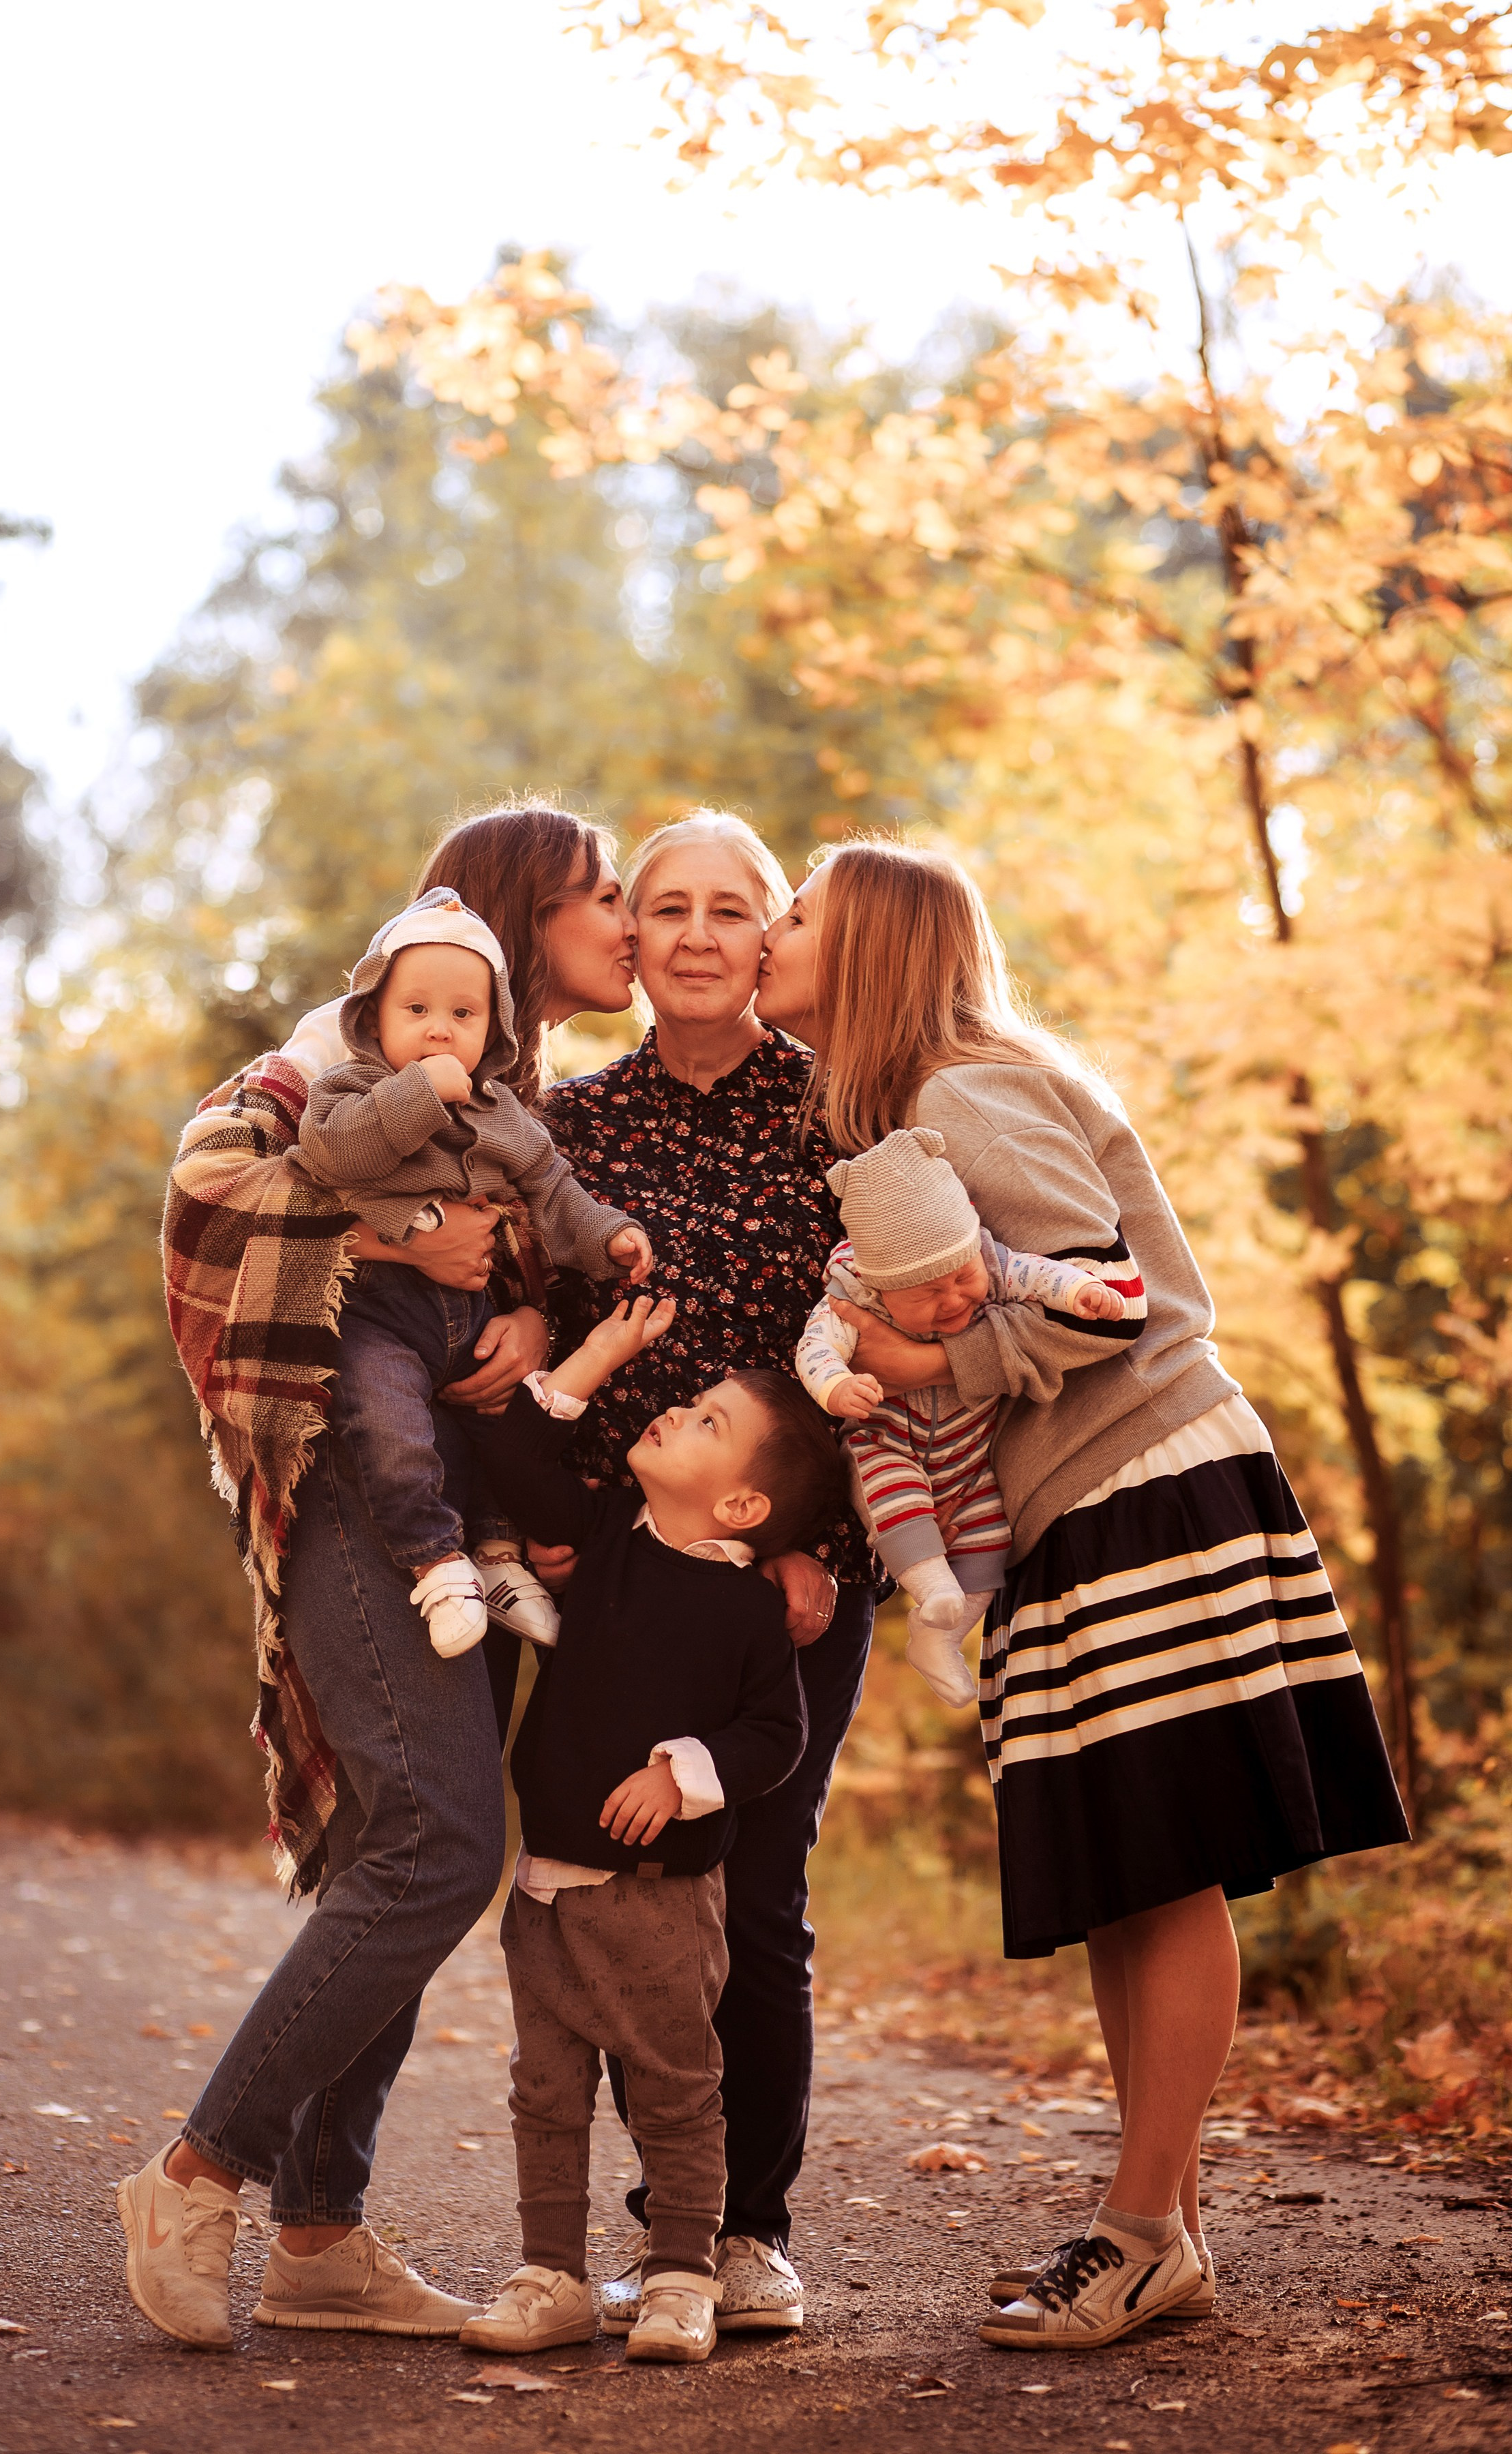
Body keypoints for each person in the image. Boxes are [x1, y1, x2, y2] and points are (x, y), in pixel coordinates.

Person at [759, 837, 1408, 2353]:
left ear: (873, 953)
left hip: (1149, 1483)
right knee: (1130, 1861)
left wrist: (927, 1369)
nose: (777, 932)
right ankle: (1158, 2228)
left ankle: (1138, 2228)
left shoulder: (965, 1089)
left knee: (1163, 1859)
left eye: (800, 913)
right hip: (1084, 1503)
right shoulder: (925, 1102)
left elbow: (1102, 1295)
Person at [131, 806, 638, 2352]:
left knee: (398, 1853)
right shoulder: (349, 1041)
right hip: (358, 1484)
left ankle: (321, 2232)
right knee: (432, 1842)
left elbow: (525, 1258)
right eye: (597, 896)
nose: (622, 919)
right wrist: (405, 1235)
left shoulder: (511, 1081)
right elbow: (213, 1182)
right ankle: (195, 2168)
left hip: (447, 1508)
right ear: (514, 917)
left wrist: (531, 1318)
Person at [539, 809, 883, 2333]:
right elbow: (528, 1334)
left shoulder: (844, 1114)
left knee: (759, 1887)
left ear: (771, 937)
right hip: (618, 1584)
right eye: (663, 905)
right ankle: (665, 2224)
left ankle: (747, 2232)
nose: (691, 934)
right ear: (633, 938)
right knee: (631, 1887)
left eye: (729, 910)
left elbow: (886, 1346)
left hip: (800, 1575)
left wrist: (808, 1547)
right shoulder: (570, 1121)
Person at [459, 1299, 846, 2365]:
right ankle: (551, 2276)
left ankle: (682, 2273)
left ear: (741, 1500)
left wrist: (684, 1777)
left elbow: (777, 1735)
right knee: (544, 2092)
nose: (676, 1410)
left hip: (662, 1902)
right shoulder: (604, 1544)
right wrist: (603, 1353)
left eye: (707, 1419)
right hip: (545, 1888)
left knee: (677, 2091)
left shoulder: (746, 1613)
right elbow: (516, 1449)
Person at [292, 887, 650, 1656]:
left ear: (493, 1032)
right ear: (371, 1019)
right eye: (415, 1010)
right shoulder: (346, 1090)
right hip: (379, 1315)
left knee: (504, 1423)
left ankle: (495, 1556)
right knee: (389, 1426)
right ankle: (434, 1561)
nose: (438, 1030)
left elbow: (553, 1191)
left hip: (470, 1311)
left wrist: (607, 1238)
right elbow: (331, 1158)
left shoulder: (501, 1114)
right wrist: (418, 1095)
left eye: (463, 1015)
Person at [796, 1125, 1131, 1708]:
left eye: (961, 1278)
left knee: (989, 1542)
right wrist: (837, 1387)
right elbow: (814, 1349)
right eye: (927, 1294)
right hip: (888, 1440)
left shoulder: (982, 1260)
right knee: (893, 1494)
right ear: (882, 1285)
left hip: (969, 1456)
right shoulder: (852, 1295)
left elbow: (1033, 1273)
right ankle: (928, 1589)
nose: (953, 1300)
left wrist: (1079, 1292)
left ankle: (941, 1636)